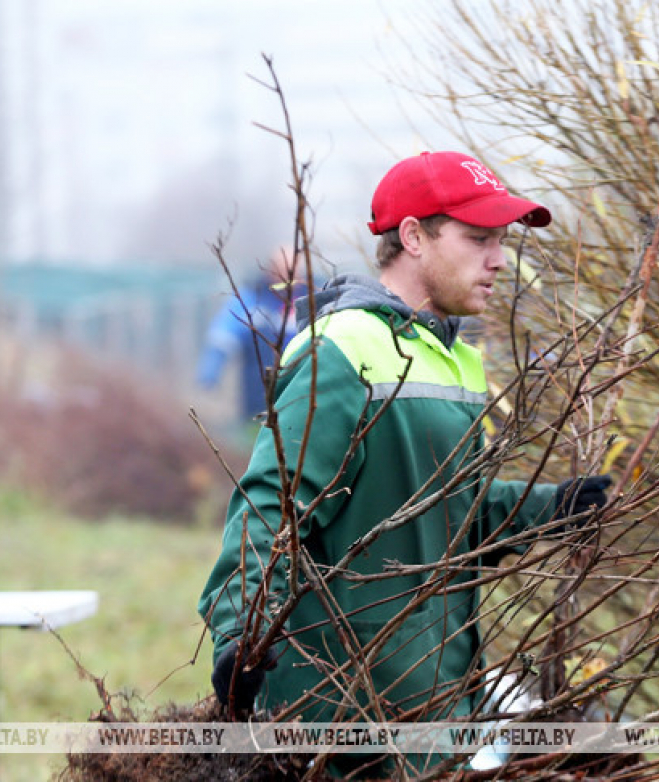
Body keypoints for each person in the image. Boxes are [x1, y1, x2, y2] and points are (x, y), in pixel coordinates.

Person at [197, 152, 611, 735]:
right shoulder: (340, 350)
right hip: (342, 716)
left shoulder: (458, 360)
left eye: (501, 241)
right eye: (479, 239)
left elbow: (441, 510)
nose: (499, 260)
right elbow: (272, 507)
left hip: (436, 698)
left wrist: (550, 508)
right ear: (414, 236)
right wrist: (241, 635)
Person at [196, 246, 301, 434]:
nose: (287, 274)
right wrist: (210, 374)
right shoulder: (251, 300)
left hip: (303, 404)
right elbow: (222, 337)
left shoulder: (313, 301)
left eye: (292, 268)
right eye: (282, 268)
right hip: (257, 405)